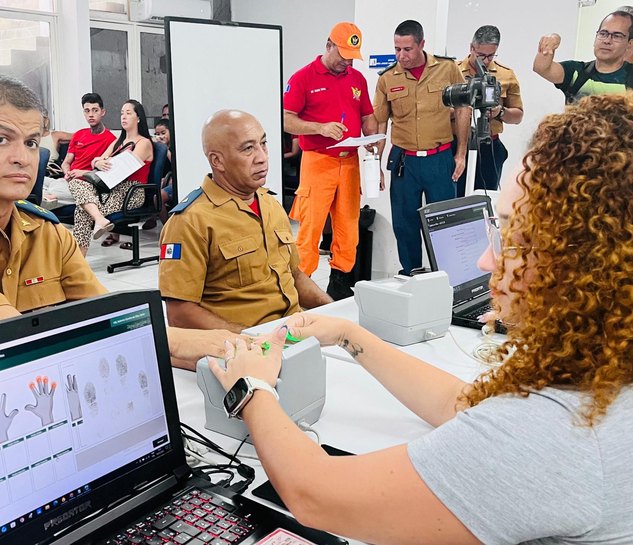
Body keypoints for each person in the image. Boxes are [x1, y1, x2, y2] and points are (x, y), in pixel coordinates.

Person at [210, 93, 633, 544]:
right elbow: (463, 403)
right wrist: (350, 335)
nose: (488, 261)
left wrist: (252, 388)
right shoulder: (604, 370)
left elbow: (316, 496)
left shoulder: (552, 437)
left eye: (514, 236)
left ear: (586, 263)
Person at [0, 73, 238, 372]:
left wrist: (233, 347)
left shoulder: (45, 232)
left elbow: (114, 320)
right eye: (2, 139)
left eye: (32, 142)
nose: (22, 158)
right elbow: (11, 342)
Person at [158, 109, 332, 333]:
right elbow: (179, 314)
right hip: (245, 347)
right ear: (217, 161)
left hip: (294, 333)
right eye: (248, 148)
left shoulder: (270, 205)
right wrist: (253, 343)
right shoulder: (190, 222)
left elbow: (294, 275)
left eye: (263, 143)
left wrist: (337, 312)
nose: (262, 157)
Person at [283, 21, 378, 300]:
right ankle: (302, 285)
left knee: (349, 226)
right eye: (342, 56)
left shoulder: (356, 79)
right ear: (328, 46)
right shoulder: (303, 77)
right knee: (310, 227)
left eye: (351, 57)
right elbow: (287, 120)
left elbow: (366, 116)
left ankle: (339, 283)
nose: (346, 63)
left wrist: (372, 139)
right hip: (318, 161)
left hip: (350, 162)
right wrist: (319, 128)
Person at [373, 20, 471, 275]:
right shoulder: (386, 79)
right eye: (397, 49)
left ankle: (449, 277)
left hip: (439, 159)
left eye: (407, 49)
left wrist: (460, 154)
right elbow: (380, 122)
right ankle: (412, 275)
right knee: (404, 224)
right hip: (405, 162)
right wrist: (376, 165)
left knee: (444, 222)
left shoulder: (448, 69)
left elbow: (463, 108)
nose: (401, 56)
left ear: (422, 45)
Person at [69, 99, 153, 254]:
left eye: (128, 113)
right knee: (75, 183)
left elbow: (122, 169)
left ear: (138, 118)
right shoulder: (119, 142)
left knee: (82, 210)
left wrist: (103, 162)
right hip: (111, 189)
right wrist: (99, 163)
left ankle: (77, 263)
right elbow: (96, 160)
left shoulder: (144, 143)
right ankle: (99, 220)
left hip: (131, 192)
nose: (123, 117)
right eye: (122, 113)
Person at [455, 25, 524, 196]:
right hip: (456, 144)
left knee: (484, 200)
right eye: (481, 55)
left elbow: (518, 115)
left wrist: (500, 112)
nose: (485, 61)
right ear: (472, 47)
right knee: (453, 199)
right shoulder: (453, 70)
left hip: (489, 146)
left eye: (490, 56)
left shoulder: (505, 75)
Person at [533, 10, 633, 103]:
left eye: (617, 36)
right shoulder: (576, 72)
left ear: (629, 44)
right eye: (603, 34)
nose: (607, 40)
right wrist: (549, 44)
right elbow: (541, 68)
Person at [45, 93, 116, 206]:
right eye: (87, 111)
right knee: (37, 182)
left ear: (103, 112)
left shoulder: (111, 140)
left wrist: (81, 173)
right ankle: (50, 199)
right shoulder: (79, 134)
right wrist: (67, 173)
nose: (91, 115)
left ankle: (50, 198)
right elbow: (66, 163)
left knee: (53, 190)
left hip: (87, 186)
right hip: (67, 181)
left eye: (95, 110)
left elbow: (106, 174)